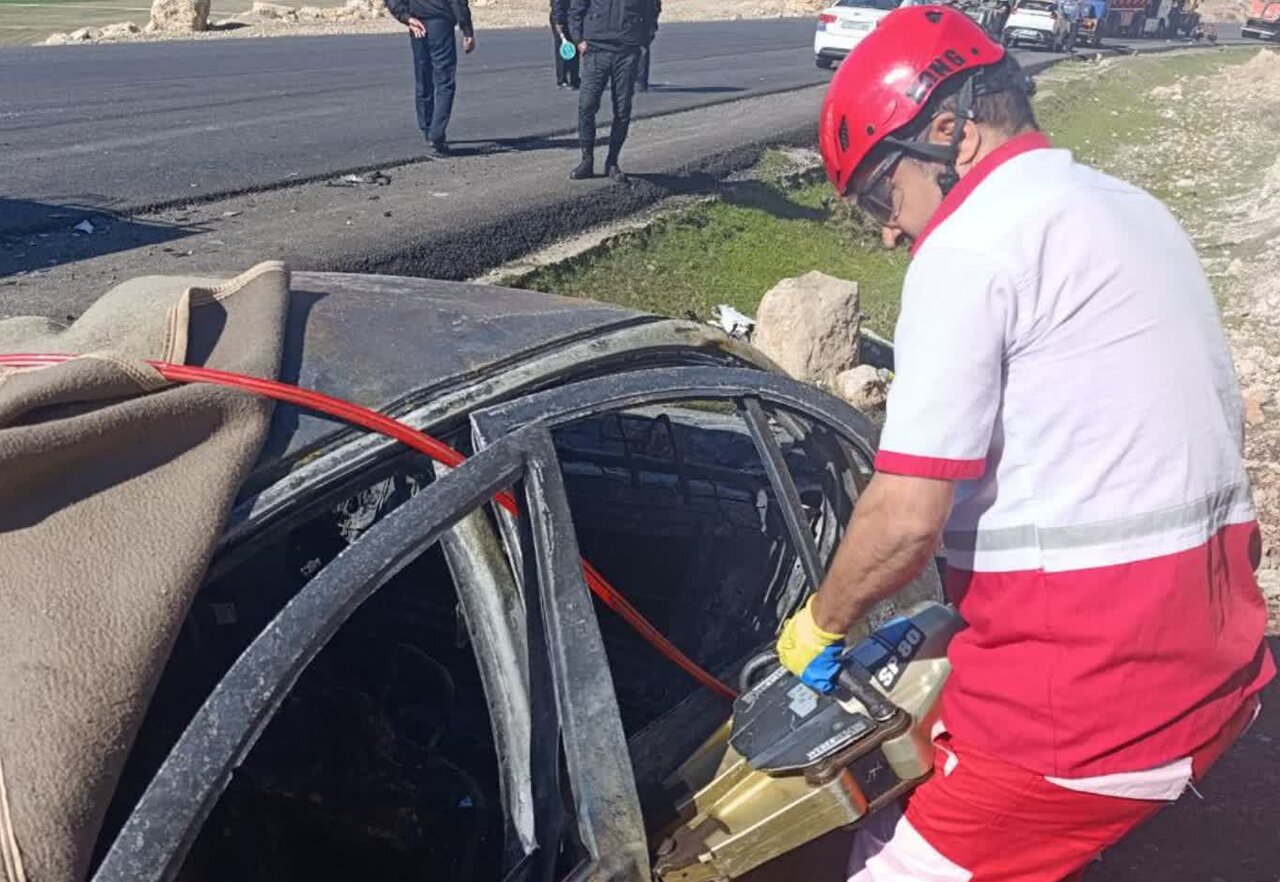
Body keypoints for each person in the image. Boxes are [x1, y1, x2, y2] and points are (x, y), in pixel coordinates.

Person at [775, 6, 1274, 880]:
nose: (888, 231)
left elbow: (903, 521)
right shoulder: (1129, 207)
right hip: (1215, 662)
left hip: (1091, 712)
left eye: (880, 196)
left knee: (886, 866)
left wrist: (819, 626)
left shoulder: (971, 246)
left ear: (949, 131)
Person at [567, 0, 660, 181]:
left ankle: (612, 162)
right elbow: (576, 9)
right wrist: (578, 39)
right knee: (587, 106)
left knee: (622, 109)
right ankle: (587, 161)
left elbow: (652, 11)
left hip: (627, 51)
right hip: (596, 49)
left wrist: (643, 41)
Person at [387, 0, 477, 156]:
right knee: (444, 81)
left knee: (423, 76)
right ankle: (436, 134)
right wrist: (467, 30)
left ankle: (428, 129)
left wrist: (406, 17)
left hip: (418, 22)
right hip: (439, 22)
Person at [551, 0, 580, 89]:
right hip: (562, 18)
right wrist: (558, 21)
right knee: (563, 48)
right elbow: (557, 3)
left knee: (573, 48)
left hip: (571, 16)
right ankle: (563, 79)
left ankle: (573, 79)